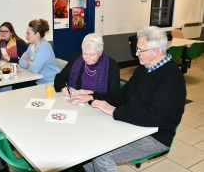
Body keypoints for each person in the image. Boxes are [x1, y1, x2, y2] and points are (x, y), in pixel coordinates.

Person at [70, 26, 186, 172]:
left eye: (140, 50)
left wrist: (114, 111)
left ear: (155, 51)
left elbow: (155, 117)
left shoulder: (171, 78)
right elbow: (123, 95)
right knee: (90, 144)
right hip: (133, 125)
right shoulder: (144, 68)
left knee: (102, 156)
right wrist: (92, 96)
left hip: (155, 135)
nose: (136, 53)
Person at [54, 33, 120, 99]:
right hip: (75, 101)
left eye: (92, 55)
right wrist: (63, 88)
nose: (87, 58)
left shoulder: (112, 66)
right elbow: (60, 77)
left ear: (100, 52)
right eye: (85, 53)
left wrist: (91, 94)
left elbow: (114, 97)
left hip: (98, 104)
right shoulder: (77, 58)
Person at [19, 19, 60, 85]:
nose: (26, 36)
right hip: (40, 81)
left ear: (37, 34)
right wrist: (29, 62)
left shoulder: (44, 47)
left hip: (50, 83)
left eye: (28, 33)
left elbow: (34, 69)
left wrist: (33, 65)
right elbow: (21, 61)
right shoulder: (32, 45)